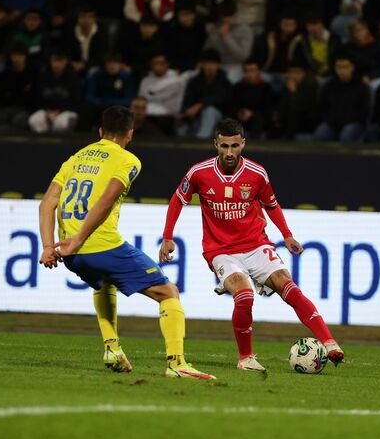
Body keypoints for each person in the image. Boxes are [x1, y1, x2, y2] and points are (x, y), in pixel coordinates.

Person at [39, 106, 215, 380]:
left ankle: (112, 349)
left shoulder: (75, 158)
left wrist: (49, 246)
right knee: (168, 292)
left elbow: (47, 202)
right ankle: (177, 363)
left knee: (104, 282)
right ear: (130, 133)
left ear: (100, 131)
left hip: (71, 254)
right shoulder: (127, 160)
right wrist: (80, 240)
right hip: (100, 245)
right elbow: (106, 200)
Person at [159, 118, 345, 372]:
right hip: (221, 250)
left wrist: (287, 235)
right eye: (224, 146)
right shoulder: (199, 173)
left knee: (287, 286)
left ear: (243, 143)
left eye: (234, 146)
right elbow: (177, 200)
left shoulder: (257, 174)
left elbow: (271, 205)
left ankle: (329, 342)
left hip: (256, 244)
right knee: (245, 296)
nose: (229, 152)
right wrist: (168, 236)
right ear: (215, 144)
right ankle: (245, 358)